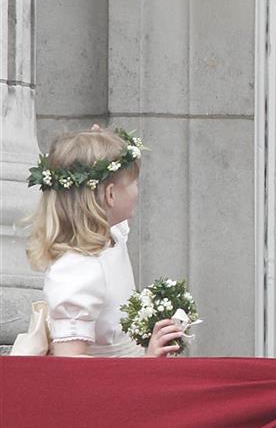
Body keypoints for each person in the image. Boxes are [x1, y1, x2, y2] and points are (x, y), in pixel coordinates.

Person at [25, 126, 184, 357]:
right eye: (135, 184)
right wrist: (148, 361)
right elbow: (70, 366)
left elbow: (96, 197)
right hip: (115, 388)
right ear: (110, 195)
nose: (138, 191)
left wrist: (103, 141)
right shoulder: (77, 269)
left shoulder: (111, 235)